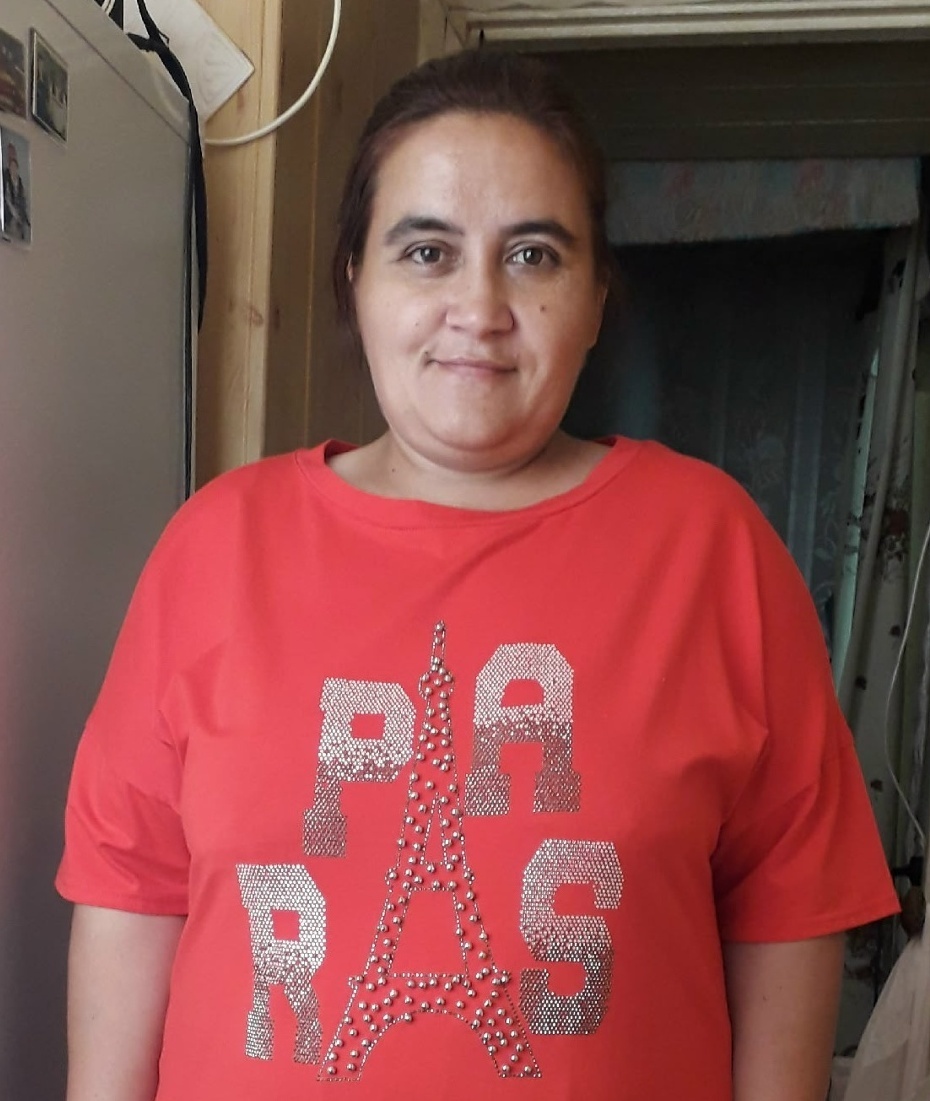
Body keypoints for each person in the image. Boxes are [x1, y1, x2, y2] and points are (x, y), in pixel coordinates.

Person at [57, 49, 899, 1101]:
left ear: (596, 297)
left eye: (534, 255)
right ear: (356, 278)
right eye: (427, 251)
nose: (480, 306)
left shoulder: (714, 548)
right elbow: (132, 891)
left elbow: (789, 912)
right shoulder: (214, 545)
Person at [2, 143, 29, 241]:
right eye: (10, 153)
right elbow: (7, 197)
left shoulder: (19, 180)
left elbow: (23, 197)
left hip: (19, 211)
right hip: (9, 212)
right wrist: (13, 211)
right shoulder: (5, 176)